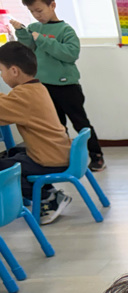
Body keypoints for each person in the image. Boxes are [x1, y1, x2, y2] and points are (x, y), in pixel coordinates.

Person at [14, 0, 104, 171]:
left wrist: (42, 40)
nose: (37, 15)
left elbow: (70, 54)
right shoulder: (34, 28)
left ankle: (96, 156)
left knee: (80, 123)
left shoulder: (65, 30)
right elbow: (28, 49)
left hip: (67, 86)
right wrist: (21, 32)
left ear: (52, 5)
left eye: (39, 10)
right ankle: (63, 160)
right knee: (57, 127)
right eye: (32, 12)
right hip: (43, 86)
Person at [0, 40, 71, 223]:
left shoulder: (23, 95)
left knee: (6, 168)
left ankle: (47, 199)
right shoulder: (36, 88)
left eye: (1, 71)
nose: (1, 76)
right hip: (58, 152)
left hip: (49, 159)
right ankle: (50, 192)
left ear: (14, 71)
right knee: (13, 154)